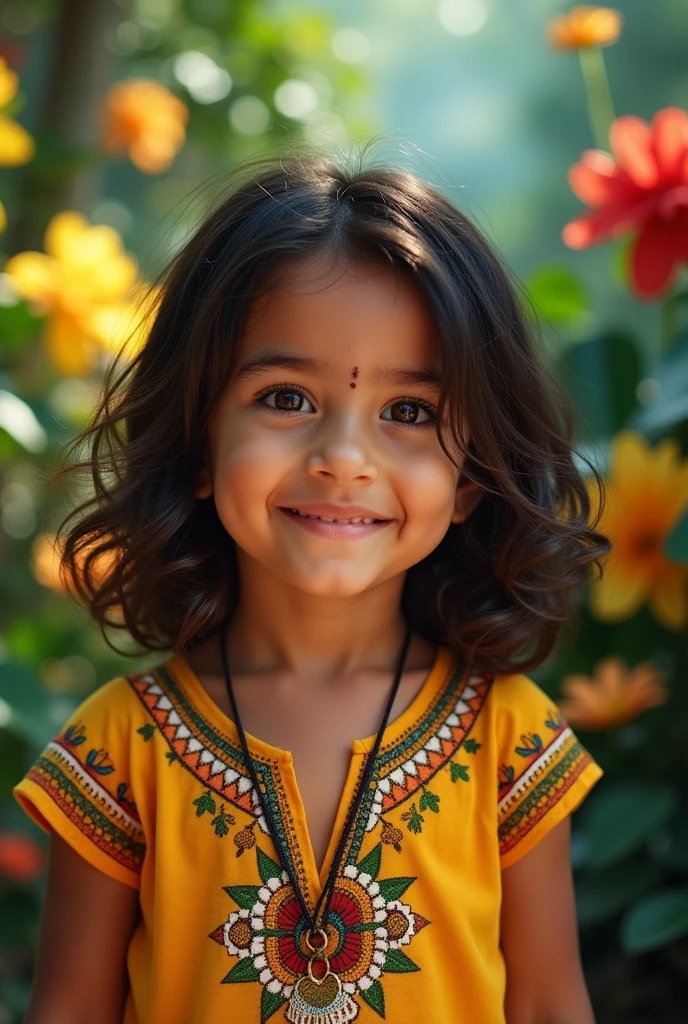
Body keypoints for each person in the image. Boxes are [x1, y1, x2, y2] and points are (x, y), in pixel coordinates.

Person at [13, 152, 610, 1024]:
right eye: (286, 397)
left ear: (473, 477)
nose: (343, 458)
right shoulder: (122, 750)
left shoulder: (507, 740)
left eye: (408, 413)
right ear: (197, 443)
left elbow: (553, 1004)